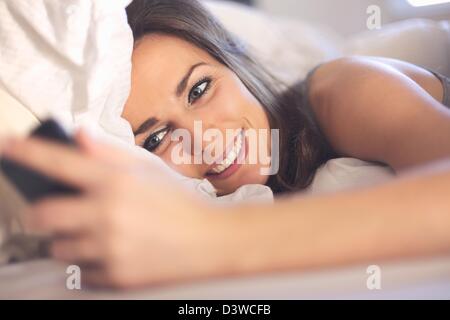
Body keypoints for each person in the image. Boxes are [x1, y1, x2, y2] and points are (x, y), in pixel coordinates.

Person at [0, 0, 449, 288]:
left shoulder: (341, 89)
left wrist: (204, 238)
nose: (202, 142)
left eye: (199, 90)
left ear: (237, 66)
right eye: (156, 139)